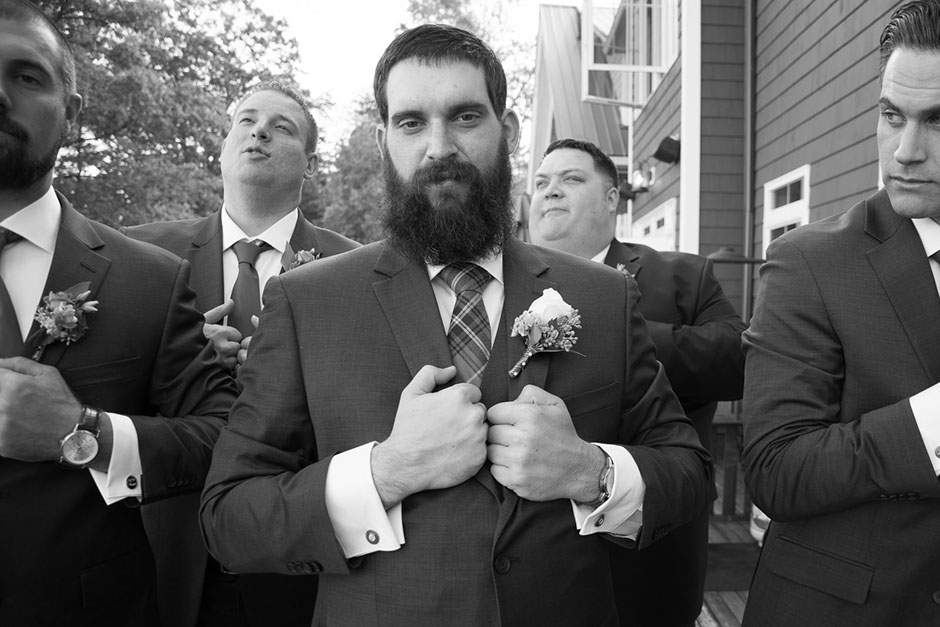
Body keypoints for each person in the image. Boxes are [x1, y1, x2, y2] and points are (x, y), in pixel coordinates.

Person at [199, 23, 711, 626]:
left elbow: (688, 472)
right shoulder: (307, 301)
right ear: (383, 140)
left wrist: (589, 471)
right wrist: (385, 473)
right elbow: (229, 518)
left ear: (508, 130)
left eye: (465, 117)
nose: (439, 147)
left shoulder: (602, 296)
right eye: (411, 122)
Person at [0, 1, 237, 625]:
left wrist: (85, 433)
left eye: (26, 75)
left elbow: (224, 434)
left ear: (71, 112)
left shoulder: (149, 279)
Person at [125, 81, 358, 627]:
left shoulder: (356, 268)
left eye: (282, 127)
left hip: (296, 560)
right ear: (224, 146)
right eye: (246, 121)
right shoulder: (140, 254)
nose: (259, 132)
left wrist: (293, 368)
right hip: (163, 546)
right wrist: (181, 354)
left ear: (310, 162)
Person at [741, 1, 940, 624]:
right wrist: (932, 425)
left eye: (938, 121)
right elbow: (775, 469)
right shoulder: (808, 261)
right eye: (891, 115)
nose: (905, 151)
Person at [528, 138, 745, 626]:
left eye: (571, 178)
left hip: (650, 544)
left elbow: (739, 359)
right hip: (533, 557)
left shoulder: (683, 275)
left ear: (612, 198)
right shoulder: (498, 285)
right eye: (541, 182)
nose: (550, 190)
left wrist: (616, 328)